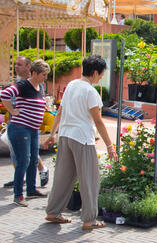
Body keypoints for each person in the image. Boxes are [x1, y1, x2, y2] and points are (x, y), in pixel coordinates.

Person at [43, 55, 118, 230]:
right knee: (90, 179)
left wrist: (52, 134)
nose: (101, 77)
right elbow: (98, 121)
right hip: (82, 138)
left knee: (63, 176)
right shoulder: (90, 92)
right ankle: (89, 220)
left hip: (65, 136)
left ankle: (53, 212)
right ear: (94, 72)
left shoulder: (71, 85)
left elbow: (60, 111)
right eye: (101, 74)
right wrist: (109, 146)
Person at [0, 59, 50, 207]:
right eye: (43, 74)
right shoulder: (23, 85)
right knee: (23, 160)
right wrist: (11, 110)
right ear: (34, 73)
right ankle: (18, 195)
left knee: (34, 159)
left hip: (33, 129)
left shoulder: (39, 86)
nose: (45, 78)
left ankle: (31, 189)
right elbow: (5, 94)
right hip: (20, 127)